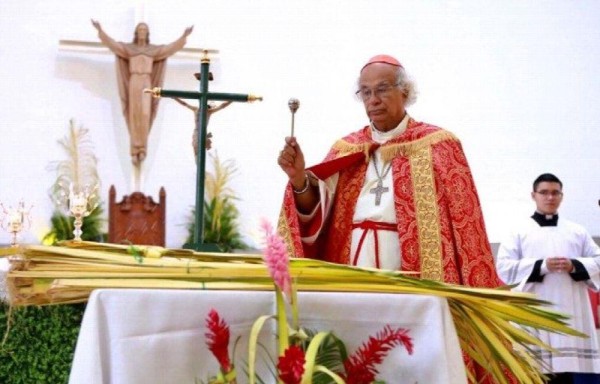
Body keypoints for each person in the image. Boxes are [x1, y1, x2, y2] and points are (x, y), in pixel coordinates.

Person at [277, 54, 501, 287]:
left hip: (416, 274)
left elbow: (467, 227)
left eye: (382, 89)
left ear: (405, 91)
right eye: (365, 92)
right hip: (352, 267)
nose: (373, 100)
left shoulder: (438, 145)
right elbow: (317, 215)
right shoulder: (347, 148)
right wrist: (299, 179)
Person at [496, 173, 600, 384]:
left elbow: (598, 260)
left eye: (555, 193)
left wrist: (575, 265)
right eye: (544, 192)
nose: (550, 197)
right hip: (534, 309)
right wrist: (541, 266)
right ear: (533, 195)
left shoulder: (577, 231)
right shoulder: (518, 231)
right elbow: (504, 268)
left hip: (570, 310)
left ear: (562, 196)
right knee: (536, 373)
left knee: (568, 374)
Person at [91, 20, 193, 166]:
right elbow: (114, 45)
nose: (142, 32)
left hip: (146, 82)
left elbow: (169, 49)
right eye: (140, 30)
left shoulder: (153, 50)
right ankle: (134, 149)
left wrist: (183, 37)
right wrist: (101, 31)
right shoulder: (129, 49)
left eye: (144, 30)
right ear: (136, 33)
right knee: (134, 114)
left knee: (145, 114)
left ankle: (142, 148)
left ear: (147, 33)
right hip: (134, 82)